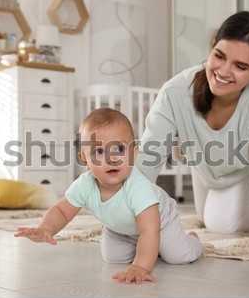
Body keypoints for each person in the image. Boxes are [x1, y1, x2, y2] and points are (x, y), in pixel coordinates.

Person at [136, 11, 249, 272]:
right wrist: (127, 214)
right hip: (204, 170)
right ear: (212, 48)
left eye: (240, 66)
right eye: (219, 56)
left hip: (241, 174)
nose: (223, 71)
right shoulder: (175, 92)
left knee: (221, 224)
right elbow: (148, 160)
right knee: (206, 217)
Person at [15, 108, 202, 284]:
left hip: (159, 223)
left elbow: (149, 229)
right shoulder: (85, 184)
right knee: (113, 258)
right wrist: (46, 228)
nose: (111, 158)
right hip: (121, 228)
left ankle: (192, 240)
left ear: (134, 153)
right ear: (85, 160)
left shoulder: (139, 187)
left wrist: (139, 266)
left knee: (178, 256)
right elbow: (62, 210)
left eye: (119, 149)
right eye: (99, 151)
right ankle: (144, 246)